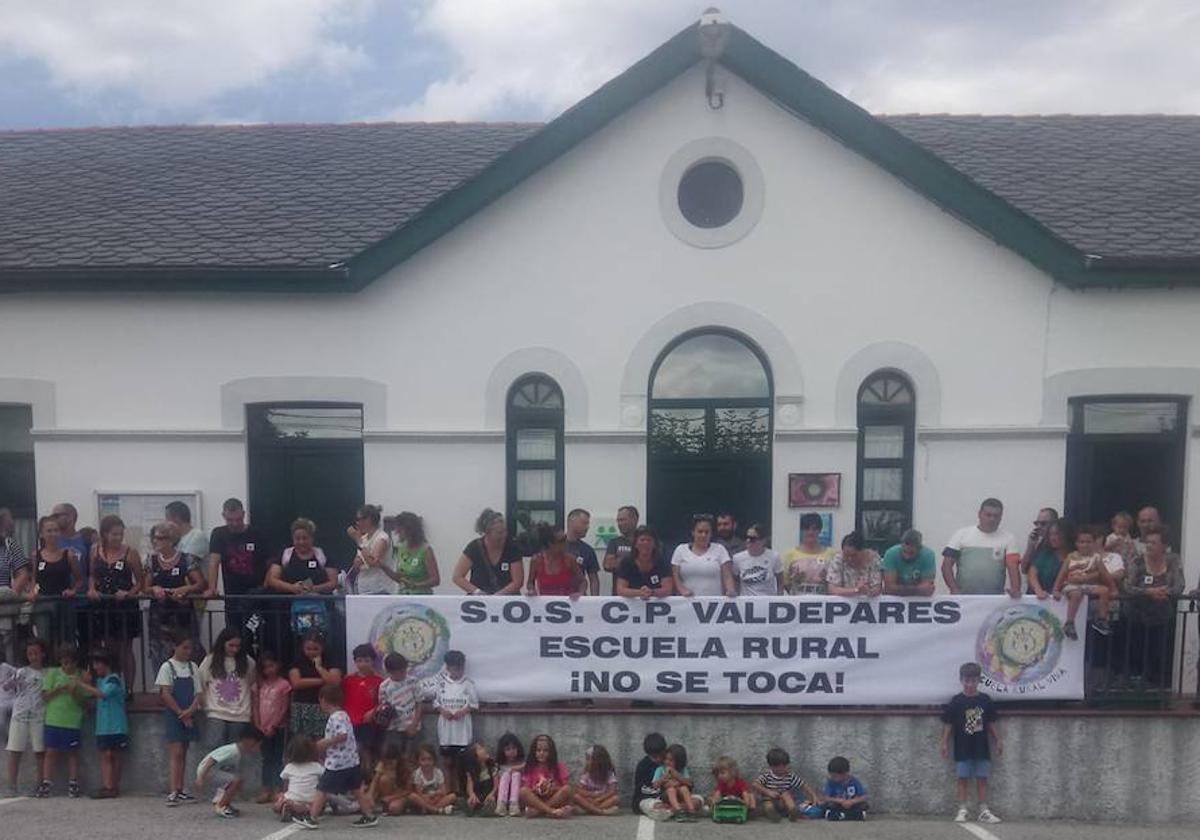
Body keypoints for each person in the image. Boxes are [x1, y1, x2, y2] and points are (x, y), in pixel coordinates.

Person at [293, 683, 379, 829]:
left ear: (324, 700)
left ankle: (312, 817)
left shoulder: (336, 717)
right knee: (357, 788)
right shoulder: (343, 715)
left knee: (322, 788)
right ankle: (369, 815)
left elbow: (342, 735)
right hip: (351, 761)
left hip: (338, 763)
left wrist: (325, 743)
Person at [86, 515, 145, 691]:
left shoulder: (130, 552)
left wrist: (129, 593)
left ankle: (128, 689)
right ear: (104, 534)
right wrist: (91, 589)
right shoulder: (95, 550)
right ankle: (112, 683)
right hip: (102, 605)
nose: (118, 538)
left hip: (124, 606)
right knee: (108, 646)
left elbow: (141, 581)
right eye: (114, 534)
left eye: (120, 534)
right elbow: (92, 575)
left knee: (125, 648)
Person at [1122, 526, 1184, 688]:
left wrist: (1165, 592)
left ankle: (1158, 691)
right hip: (1136, 617)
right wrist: (1148, 592)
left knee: (1158, 656)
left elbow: (1179, 585)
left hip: (1162, 617)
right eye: (1147, 542)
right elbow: (1127, 586)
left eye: (1154, 543)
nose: (1149, 546)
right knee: (1136, 654)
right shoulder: (1137, 560)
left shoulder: (1173, 560)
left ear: (1164, 546)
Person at [265, 519, 338, 657]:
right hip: (288, 612)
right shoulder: (284, 555)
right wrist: (292, 588)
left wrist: (314, 589)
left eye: (305, 538)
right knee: (289, 644)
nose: (301, 542)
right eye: (297, 538)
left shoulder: (322, 555)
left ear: (312, 538)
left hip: (318, 612)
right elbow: (272, 579)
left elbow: (333, 582)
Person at [941, 662, 1001, 823]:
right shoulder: (956, 701)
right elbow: (948, 724)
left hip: (981, 747)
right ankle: (962, 809)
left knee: (982, 779)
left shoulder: (985, 700)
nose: (970, 684)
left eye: (973, 681)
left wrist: (998, 741)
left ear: (978, 681)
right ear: (961, 680)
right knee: (962, 779)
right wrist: (944, 743)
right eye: (967, 681)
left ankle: (983, 810)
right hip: (962, 747)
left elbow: (991, 723)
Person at [204, 498, 271, 640]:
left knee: (259, 635)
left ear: (244, 514)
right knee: (235, 636)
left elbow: (270, 564)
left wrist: (265, 586)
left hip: (257, 596)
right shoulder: (218, 534)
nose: (234, 523)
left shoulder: (257, 534)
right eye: (230, 520)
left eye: (238, 519)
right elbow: (214, 562)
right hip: (233, 597)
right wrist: (212, 588)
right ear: (223, 516)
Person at [144, 521, 205, 672]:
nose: (155, 541)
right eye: (154, 538)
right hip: (159, 616)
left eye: (159, 538)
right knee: (159, 654)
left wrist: (186, 588)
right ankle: (163, 689)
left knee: (186, 651)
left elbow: (200, 584)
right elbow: (145, 587)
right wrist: (154, 589)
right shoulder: (151, 561)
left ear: (171, 540)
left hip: (182, 615)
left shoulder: (187, 559)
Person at [156, 631, 202, 805]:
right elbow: (165, 693)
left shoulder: (193, 667)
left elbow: (198, 693)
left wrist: (190, 710)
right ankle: (174, 789)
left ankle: (181, 788)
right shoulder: (167, 667)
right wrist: (180, 713)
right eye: (184, 647)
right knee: (176, 752)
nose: (188, 651)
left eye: (190, 648)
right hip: (174, 714)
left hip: (188, 713)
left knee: (184, 750)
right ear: (175, 647)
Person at [942, 498, 1022, 596]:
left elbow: (1013, 567)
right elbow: (946, 565)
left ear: (1001, 517)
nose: (992, 519)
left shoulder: (1009, 538)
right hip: (964, 599)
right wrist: (953, 589)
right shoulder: (961, 535)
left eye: (996, 516)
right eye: (988, 515)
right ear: (979, 514)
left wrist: (1015, 589)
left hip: (995, 600)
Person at [76, 649, 128, 798]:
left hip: (116, 726)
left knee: (115, 755)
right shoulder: (99, 681)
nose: (95, 667)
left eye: (98, 664)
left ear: (107, 664)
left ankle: (114, 786)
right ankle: (107, 785)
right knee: (105, 756)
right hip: (103, 727)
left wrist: (81, 684)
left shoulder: (114, 679)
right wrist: (86, 682)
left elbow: (102, 693)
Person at [1052, 525, 1118, 640]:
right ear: (1076, 543)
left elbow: (1106, 574)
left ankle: (1101, 619)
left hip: (1089, 585)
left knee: (1104, 591)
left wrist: (1113, 589)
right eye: (1082, 542)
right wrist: (1056, 590)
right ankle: (1070, 622)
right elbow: (1062, 574)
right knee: (1076, 594)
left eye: (1088, 542)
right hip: (1071, 585)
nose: (1085, 545)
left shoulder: (1096, 558)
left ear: (1094, 543)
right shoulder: (1070, 557)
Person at [26, 514, 82, 648]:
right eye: (49, 531)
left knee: (66, 642)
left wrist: (73, 590)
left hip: (64, 604)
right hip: (43, 603)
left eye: (56, 530)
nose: (53, 534)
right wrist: (32, 592)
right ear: (42, 534)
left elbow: (79, 579)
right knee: (45, 642)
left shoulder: (68, 554)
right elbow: (32, 579)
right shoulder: (35, 556)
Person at [39, 643, 87, 798]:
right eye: (63, 662)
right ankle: (46, 783)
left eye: (69, 662)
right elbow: (44, 696)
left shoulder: (81, 676)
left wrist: (74, 693)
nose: (66, 666)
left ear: (75, 662)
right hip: (53, 719)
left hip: (72, 720)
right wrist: (58, 689)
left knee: (72, 752)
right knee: (51, 751)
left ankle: (73, 783)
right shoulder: (53, 673)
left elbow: (84, 703)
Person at [429, 650, 478, 795]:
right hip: (446, 729)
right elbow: (436, 702)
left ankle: (460, 792)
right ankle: (448, 790)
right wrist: (442, 711)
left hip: (461, 729)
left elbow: (474, 704)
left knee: (461, 763)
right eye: (454, 668)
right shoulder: (442, 683)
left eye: (460, 668)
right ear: (448, 667)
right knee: (447, 762)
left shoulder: (468, 684)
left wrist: (462, 711)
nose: (458, 671)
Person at [199, 627, 256, 748]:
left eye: (238, 646)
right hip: (216, 713)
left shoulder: (248, 662)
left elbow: (253, 686)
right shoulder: (210, 660)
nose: (235, 649)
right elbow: (200, 685)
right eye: (231, 645)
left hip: (241, 714)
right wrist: (205, 706)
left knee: (233, 754)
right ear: (222, 643)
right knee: (214, 751)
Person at [5, 638, 46, 796]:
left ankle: (41, 784)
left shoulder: (47, 673)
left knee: (39, 751)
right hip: (20, 715)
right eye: (30, 654)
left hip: (38, 715)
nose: (33, 657)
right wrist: (12, 681)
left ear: (42, 654)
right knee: (15, 750)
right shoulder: (22, 672)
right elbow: (7, 686)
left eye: (36, 653)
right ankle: (11, 786)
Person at [195, 723, 263, 819]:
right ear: (249, 741)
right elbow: (211, 760)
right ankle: (221, 806)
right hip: (207, 771)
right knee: (235, 780)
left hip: (214, 771)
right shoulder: (232, 750)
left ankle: (224, 803)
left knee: (237, 780)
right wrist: (200, 777)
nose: (258, 748)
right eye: (257, 745)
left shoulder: (239, 752)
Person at [452, 509, 524, 596]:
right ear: (487, 532)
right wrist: (477, 591)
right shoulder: (474, 547)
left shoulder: (512, 548)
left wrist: (497, 596)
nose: (504, 536)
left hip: (506, 599)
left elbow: (518, 581)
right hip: (479, 600)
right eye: (499, 533)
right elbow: (457, 576)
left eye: (505, 531)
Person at [252, 649, 291, 804]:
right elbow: (255, 706)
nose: (269, 670)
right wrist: (258, 724)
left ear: (278, 665)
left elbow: (284, 707)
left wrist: (274, 725)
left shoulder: (284, 684)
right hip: (262, 727)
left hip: (278, 727)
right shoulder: (258, 685)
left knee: (278, 758)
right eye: (265, 667)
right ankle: (265, 789)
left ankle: (278, 789)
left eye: (271, 666)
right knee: (266, 758)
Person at [288, 633, 342, 738]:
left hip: (325, 706)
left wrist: (319, 667)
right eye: (308, 649)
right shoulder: (297, 661)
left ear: (322, 647)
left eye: (316, 649)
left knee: (322, 740)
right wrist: (324, 680)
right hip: (302, 707)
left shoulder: (330, 660)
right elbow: (296, 683)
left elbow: (335, 681)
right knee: (303, 742)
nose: (312, 652)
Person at [670, 516, 735, 598]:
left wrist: (730, 590)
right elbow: (675, 577)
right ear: (693, 532)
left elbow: (727, 576)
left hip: (714, 604)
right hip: (687, 603)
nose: (703, 535)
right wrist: (682, 589)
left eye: (707, 532)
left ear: (711, 534)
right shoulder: (680, 550)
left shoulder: (720, 549)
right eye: (700, 531)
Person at [342, 643, 382, 773]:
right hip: (350, 722)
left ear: (373, 661)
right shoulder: (347, 680)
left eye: (366, 660)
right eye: (359, 661)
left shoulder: (379, 681)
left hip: (368, 722)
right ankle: (353, 779)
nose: (363, 664)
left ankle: (368, 778)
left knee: (367, 751)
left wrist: (373, 711)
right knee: (352, 751)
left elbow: (384, 702)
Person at [752, 747, 818, 823]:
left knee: (786, 794)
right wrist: (768, 792)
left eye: (785, 766)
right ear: (772, 767)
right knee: (768, 804)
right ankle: (772, 815)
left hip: (784, 802)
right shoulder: (767, 776)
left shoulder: (790, 776)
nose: (783, 769)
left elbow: (803, 785)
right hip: (770, 799)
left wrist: (813, 795)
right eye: (780, 768)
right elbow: (755, 784)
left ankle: (793, 811)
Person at [0, 510, 32, 665]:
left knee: (10, 651)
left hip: (5, 604)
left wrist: (12, 594)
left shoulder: (9, 545)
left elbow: (23, 573)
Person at [345, 504, 395, 595]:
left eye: (359, 519)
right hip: (363, 588)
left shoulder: (381, 538)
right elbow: (356, 564)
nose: (357, 523)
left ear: (368, 520)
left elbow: (373, 562)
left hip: (379, 589)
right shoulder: (364, 539)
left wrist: (358, 540)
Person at [525, 524, 586, 597]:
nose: (566, 542)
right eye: (561, 541)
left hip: (568, 603)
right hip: (546, 604)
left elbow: (583, 581)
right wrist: (532, 590)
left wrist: (580, 593)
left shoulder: (569, 559)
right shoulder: (536, 560)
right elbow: (530, 582)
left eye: (565, 538)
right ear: (550, 544)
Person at [377, 652, 421, 753]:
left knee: (410, 756)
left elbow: (419, 704)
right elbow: (383, 707)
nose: (402, 674)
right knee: (395, 756)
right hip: (393, 728)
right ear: (389, 672)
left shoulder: (413, 681)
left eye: (404, 671)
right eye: (398, 672)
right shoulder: (384, 686)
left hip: (412, 726)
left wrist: (414, 724)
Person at [520, 733, 572, 818]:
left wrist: (551, 789)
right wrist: (537, 789)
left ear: (551, 752)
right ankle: (551, 811)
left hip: (554, 798)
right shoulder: (530, 767)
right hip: (537, 800)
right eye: (538, 750)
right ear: (534, 752)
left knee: (568, 789)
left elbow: (565, 787)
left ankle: (538, 812)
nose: (541, 753)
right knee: (523, 791)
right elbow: (527, 789)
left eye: (545, 750)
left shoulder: (559, 766)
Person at [616, 526, 675, 599]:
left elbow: (668, 589)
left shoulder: (662, 562)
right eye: (642, 540)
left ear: (654, 544)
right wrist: (639, 592)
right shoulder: (626, 563)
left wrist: (652, 592)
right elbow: (621, 589)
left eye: (649, 540)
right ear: (635, 544)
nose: (646, 543)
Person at [276, 735, 323, 822]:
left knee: (281, 797)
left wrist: (283, 795)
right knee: (316, 803)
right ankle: (303, 809)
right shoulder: (317, 767)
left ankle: (285, 805)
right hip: (310, 798)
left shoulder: (289, 767)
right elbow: (322, 783)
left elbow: (285, 785)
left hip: (293, 797)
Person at [391, 511, 440, 595]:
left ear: (410, 530)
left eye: (400, 529)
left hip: (421, 596)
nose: (397, 532)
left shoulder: (426, 550)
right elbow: (399, 577)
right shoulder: (401, 548)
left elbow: (435, 580)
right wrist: (383, 566)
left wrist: (416, 585)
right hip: (403, 595)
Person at [784, 513, 834, 594]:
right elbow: (785, 583)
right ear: (802, 530)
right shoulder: (790, 554)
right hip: (798, 602)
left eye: (814, 529)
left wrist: (826, 579)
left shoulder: (831, 554)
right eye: (807, 529)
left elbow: (836, 582)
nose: (810, 532)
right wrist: (796, 580)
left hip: (825, 603)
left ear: (820, 530)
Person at [731, 523, 783, 596]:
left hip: (768, 601)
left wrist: (779, 599)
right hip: (747, 602)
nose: (748, 541)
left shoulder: (774, 556)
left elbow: (780, 581)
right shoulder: (737, 558)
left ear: (763, 540)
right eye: (746, 537)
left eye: (752, 539)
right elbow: (735, 580)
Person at [651, 743, 699, 821]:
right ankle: (678, 811)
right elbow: (655, 785)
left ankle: (691, 811)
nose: (667, 762)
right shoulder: (660, 769)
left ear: (679, 762)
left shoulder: (682, 770)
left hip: (680, 795)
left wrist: (677, 776)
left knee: (684, 788)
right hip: (667, 795)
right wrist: (663, 779)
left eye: (671, 760)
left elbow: (690, 783)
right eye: (666, 759)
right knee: (671, 790)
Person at [881, 529, 936, 596]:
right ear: (901, 545)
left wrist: (899, 589)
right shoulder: (891, 554)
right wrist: (917, 590)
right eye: (904, 551)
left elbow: (927, 590)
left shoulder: (928, 555)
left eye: (911, 553)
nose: (907, 557)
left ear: (919, 549)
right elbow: (888, 588)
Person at [826, 532, 882, 597]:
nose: (850, 559)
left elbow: (877, 588)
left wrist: (868, 591)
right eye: (846, 555)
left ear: (863, 551)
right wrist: (856, 590)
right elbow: (832, 589)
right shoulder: (837, 560)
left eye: (854, 555)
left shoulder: (874, 560)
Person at [1027, 519, 1072, 600]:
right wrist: (1038, 590)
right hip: (1044, 601)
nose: (1052, 538)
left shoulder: (1076, 556)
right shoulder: (1045, 555)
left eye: (1057, 534)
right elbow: (1032, 574)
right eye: (1050, 534)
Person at [407, 742, 456, 815]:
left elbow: (443, 791)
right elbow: (419, 793)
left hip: (437, 799)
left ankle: (429, 809)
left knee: (452, 796)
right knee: (412, 796)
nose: (427, 763)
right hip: (424, 799)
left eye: (429, 759)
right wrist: (428, 797)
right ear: (418, 761)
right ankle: (436, 810)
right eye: (423, 760)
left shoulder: (438, 772)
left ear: (434, 760)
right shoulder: (417, 774)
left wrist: (435, 795)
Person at [1018, 507, 1059, 594]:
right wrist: (1030, 546)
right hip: (1034, 595)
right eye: (1036, 523)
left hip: (1053, 596)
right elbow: (1024, 569)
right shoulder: (1037, 542)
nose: (1038, 527)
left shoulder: (1061, 544)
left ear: (1054, 523)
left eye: (1043, 523)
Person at [602, 505, 639, 595]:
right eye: (618, 521)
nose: (619, 524)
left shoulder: (645, 540)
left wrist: (619, 560)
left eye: (623, 520)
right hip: (620, 596)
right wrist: (635, 559)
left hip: (642, 594)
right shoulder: (614, 542)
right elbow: (608, 565)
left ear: (634, 520)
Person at [573, 744, 619, 815]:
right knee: (576, 797)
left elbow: (612, 791)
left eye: (588, 759)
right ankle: (600, 811)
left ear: (597, 761)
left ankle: (589, 810)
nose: (586, 762)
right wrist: (593, 795)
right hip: (590, 799)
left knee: (615, 799)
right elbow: (580, 790)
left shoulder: (609, 773)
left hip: (602, 799)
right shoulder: (587, 773)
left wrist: (599, 799)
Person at [367, 743, 411, 815]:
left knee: (394, 808)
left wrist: (391, 797)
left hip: (401, 794)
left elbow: (408, 790)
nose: (388, 765)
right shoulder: (383, 764)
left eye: (391, 762)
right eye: (386, 763)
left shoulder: (405, 767)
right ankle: (384, 804)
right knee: (384, 779)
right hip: (387, 794)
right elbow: (375, 781)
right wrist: (370, 795)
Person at [565, 508, 600, 596]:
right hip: (556, 598)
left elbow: (594, 580)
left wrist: (594, 601)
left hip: (579, 599)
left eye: (588, 524)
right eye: (584, 523)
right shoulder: (555, 546)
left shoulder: (588, 550)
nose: (587, 527)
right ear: (571, 522)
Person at [821, 756, 868, 821]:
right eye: (831, 775)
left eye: (835, 776)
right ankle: (850, 816)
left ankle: (842, 816)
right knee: (828, 805)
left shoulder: (854, 782)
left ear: (845, 773)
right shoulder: (830, 783)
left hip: (852, 805)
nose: (833, 778)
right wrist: (840, 801)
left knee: (863, 805)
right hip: (838, 805)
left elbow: (864, 796)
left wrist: (852, 801)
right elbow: (826, 797)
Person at [633, 732, 666, 817]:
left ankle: (676, 809)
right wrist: (658, 784)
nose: (658, 759)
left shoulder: (669, 761)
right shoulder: (643, 766)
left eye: (661, 756)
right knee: (655, 805)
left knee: (697, 800)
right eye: (655, 757)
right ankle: (671, 809)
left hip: (669, 797)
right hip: (647, 798)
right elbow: (641, 789)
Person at [495, 732, 525, 817]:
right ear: (502, 751)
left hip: (518, 796)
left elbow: (527, 766)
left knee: (516, 775)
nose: (512, 751)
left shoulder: (522, 763)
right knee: (505, 775)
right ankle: (501, 804)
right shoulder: (500, 765)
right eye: (508, 749)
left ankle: (514, 805)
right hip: (502, 793)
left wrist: (515, 769)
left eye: (514, 748)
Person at [462, 742, 497, 816]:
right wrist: (472, 794)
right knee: (469, 801)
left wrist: (491, 794)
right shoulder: (471, 771)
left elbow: (496, 785)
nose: (484, 749)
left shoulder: (492, 767)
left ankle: (485, 811)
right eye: (480, 748)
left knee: (492, 802)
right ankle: (472, 809)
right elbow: (470, 785)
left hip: (489, 794)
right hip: (478, 794)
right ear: (474, 756)